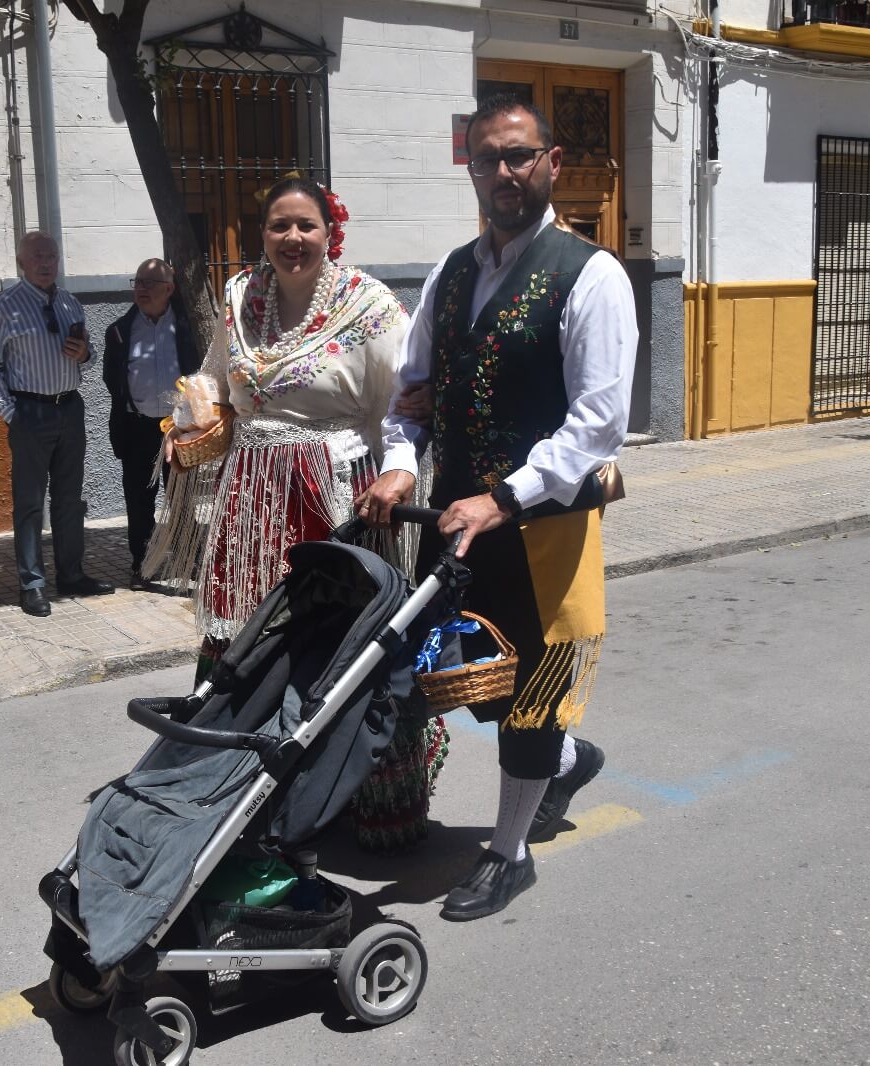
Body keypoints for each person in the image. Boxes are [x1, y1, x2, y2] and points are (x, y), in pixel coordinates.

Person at [356, 93, 638, 920]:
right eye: (488, 159)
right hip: (455, 521)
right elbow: (411, 394)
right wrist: (400, 466)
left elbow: (599, 423)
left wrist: (506, 496)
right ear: (472, 170)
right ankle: (568, 761)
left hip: (544, 527)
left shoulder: (591, 274)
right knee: (462, 677)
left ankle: (509, 854)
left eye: (519, 155)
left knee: (530, 694)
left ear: (552, 163)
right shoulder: (449, 274)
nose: (504, 172)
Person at [146, 176, 448, 853]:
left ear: (329, 232)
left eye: (306, 225)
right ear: (262, 234)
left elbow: (405, 401)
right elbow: (215, 379)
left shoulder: (369, 307)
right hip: (251, 500)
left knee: (341, 650)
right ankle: (226, 794)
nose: (292, 238)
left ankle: (375, 805)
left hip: (332, 498)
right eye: (279, 225)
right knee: (241, 643)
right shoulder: (238, 300)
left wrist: (397, 474)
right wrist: (187, 426)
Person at [0, 230, 114, 617]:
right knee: (30, 502)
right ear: (21, 262)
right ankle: (32, 583)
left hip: (69, 408)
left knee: (69, 499)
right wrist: (10, 413)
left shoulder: (70, 302)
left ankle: (71, 574)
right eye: (37, 256)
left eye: (51, 255)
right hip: (29, 411)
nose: (45, 262)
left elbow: (89, 356)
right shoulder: (4, 307)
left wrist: (85, 354)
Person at [102, 258, 202, 589]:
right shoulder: (120, 331)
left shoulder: (187, 327)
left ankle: (190, 560)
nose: (142, 289)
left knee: (183, 497)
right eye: (138, 282)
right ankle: (143, 565)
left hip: (180, 428)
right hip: (138, 428)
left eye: (150, 283)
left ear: (169, 289)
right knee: (139, 500)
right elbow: (112, 379)